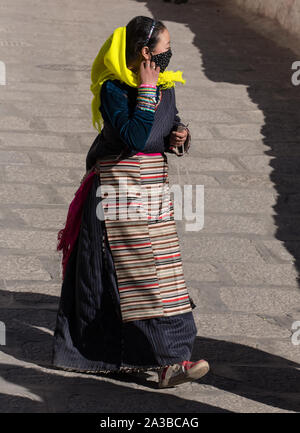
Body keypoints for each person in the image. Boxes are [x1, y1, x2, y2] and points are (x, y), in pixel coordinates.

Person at [51, 15, 209, 389]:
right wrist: (147, 89)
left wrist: (181, 136)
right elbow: (137, 136)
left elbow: (165, 127)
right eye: (164, 51)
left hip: (152, 193)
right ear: (143, 54)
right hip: (116, 195)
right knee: (132, 278)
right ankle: (162, 360)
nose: (169, 56)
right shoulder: (115, 89)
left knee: (164, 275)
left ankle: (162, 356)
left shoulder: (165, 85)